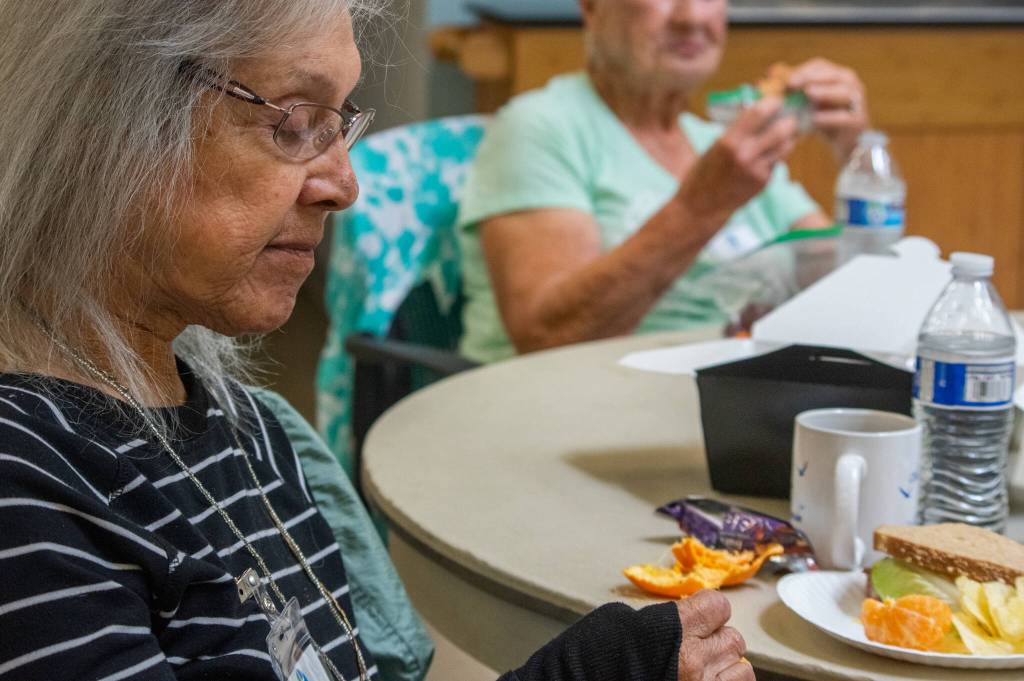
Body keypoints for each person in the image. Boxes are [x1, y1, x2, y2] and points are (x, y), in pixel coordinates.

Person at [0, 2, 753, 681]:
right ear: (107, 124)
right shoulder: (26, 488)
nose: (344, 183)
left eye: (339, 123)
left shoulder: (247, 426)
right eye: (293, 122)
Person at [457, 0, 871, 363]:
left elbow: (852, 291)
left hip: (718, 403)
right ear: (590, 6)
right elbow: (550, 338)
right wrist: (701, 207)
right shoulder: (542, 127)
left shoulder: (723, 147)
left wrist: (859, 153)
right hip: (565, 407)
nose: (691, 17)